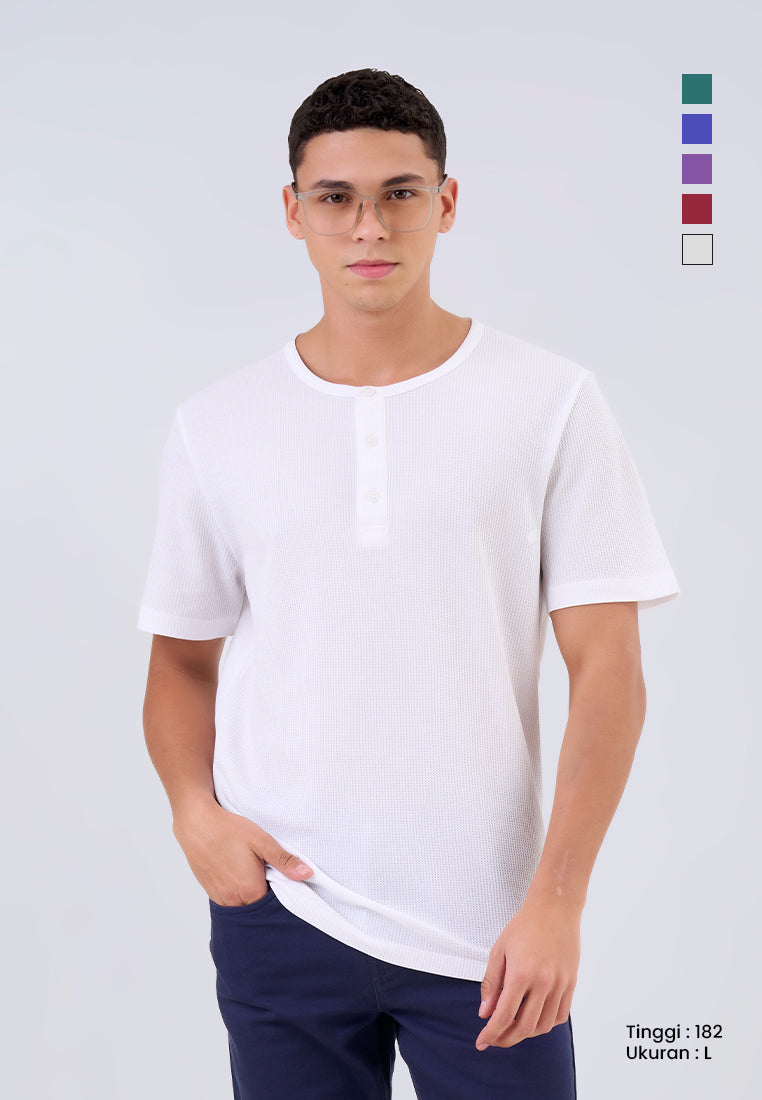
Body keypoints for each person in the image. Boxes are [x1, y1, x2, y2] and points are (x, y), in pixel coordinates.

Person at [137, 67, 680, 1099]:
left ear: (447, 201)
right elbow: (180, 657)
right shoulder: (219, 425)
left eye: (400, 192)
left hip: (494, 928)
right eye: (335, 197)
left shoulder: (550, 402)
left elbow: (608, 666)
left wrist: (559, 900)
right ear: (293, 212)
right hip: (282, 912)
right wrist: (193, 812)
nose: (369, 226)